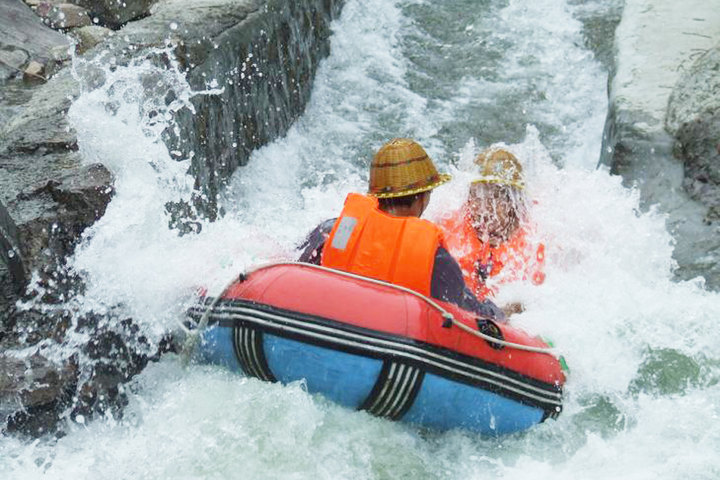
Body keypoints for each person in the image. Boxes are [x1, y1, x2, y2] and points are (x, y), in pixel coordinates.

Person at [299, 138, 504, 321]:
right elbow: (471, 315)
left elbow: (294, 273)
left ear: (375, 194)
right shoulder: (434, 259)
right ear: (422, 198)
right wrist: (500, 313)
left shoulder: (332, 230)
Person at [440, 147, 545, 313]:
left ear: (513, 204)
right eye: (477, 196)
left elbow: (536, 307)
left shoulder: (532, 246)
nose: (484, 208)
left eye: (495, 198)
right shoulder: (447, 230)